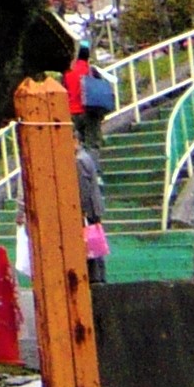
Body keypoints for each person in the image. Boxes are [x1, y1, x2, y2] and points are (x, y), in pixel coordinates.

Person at [75, 106, 110, 283]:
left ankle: (96, 278)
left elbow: (83, 189)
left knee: (91, 244)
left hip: (89, 209)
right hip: (95, 206)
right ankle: (100, 276)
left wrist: (82, 211)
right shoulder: (86, 157)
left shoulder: (79, 161)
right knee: (96, 243)